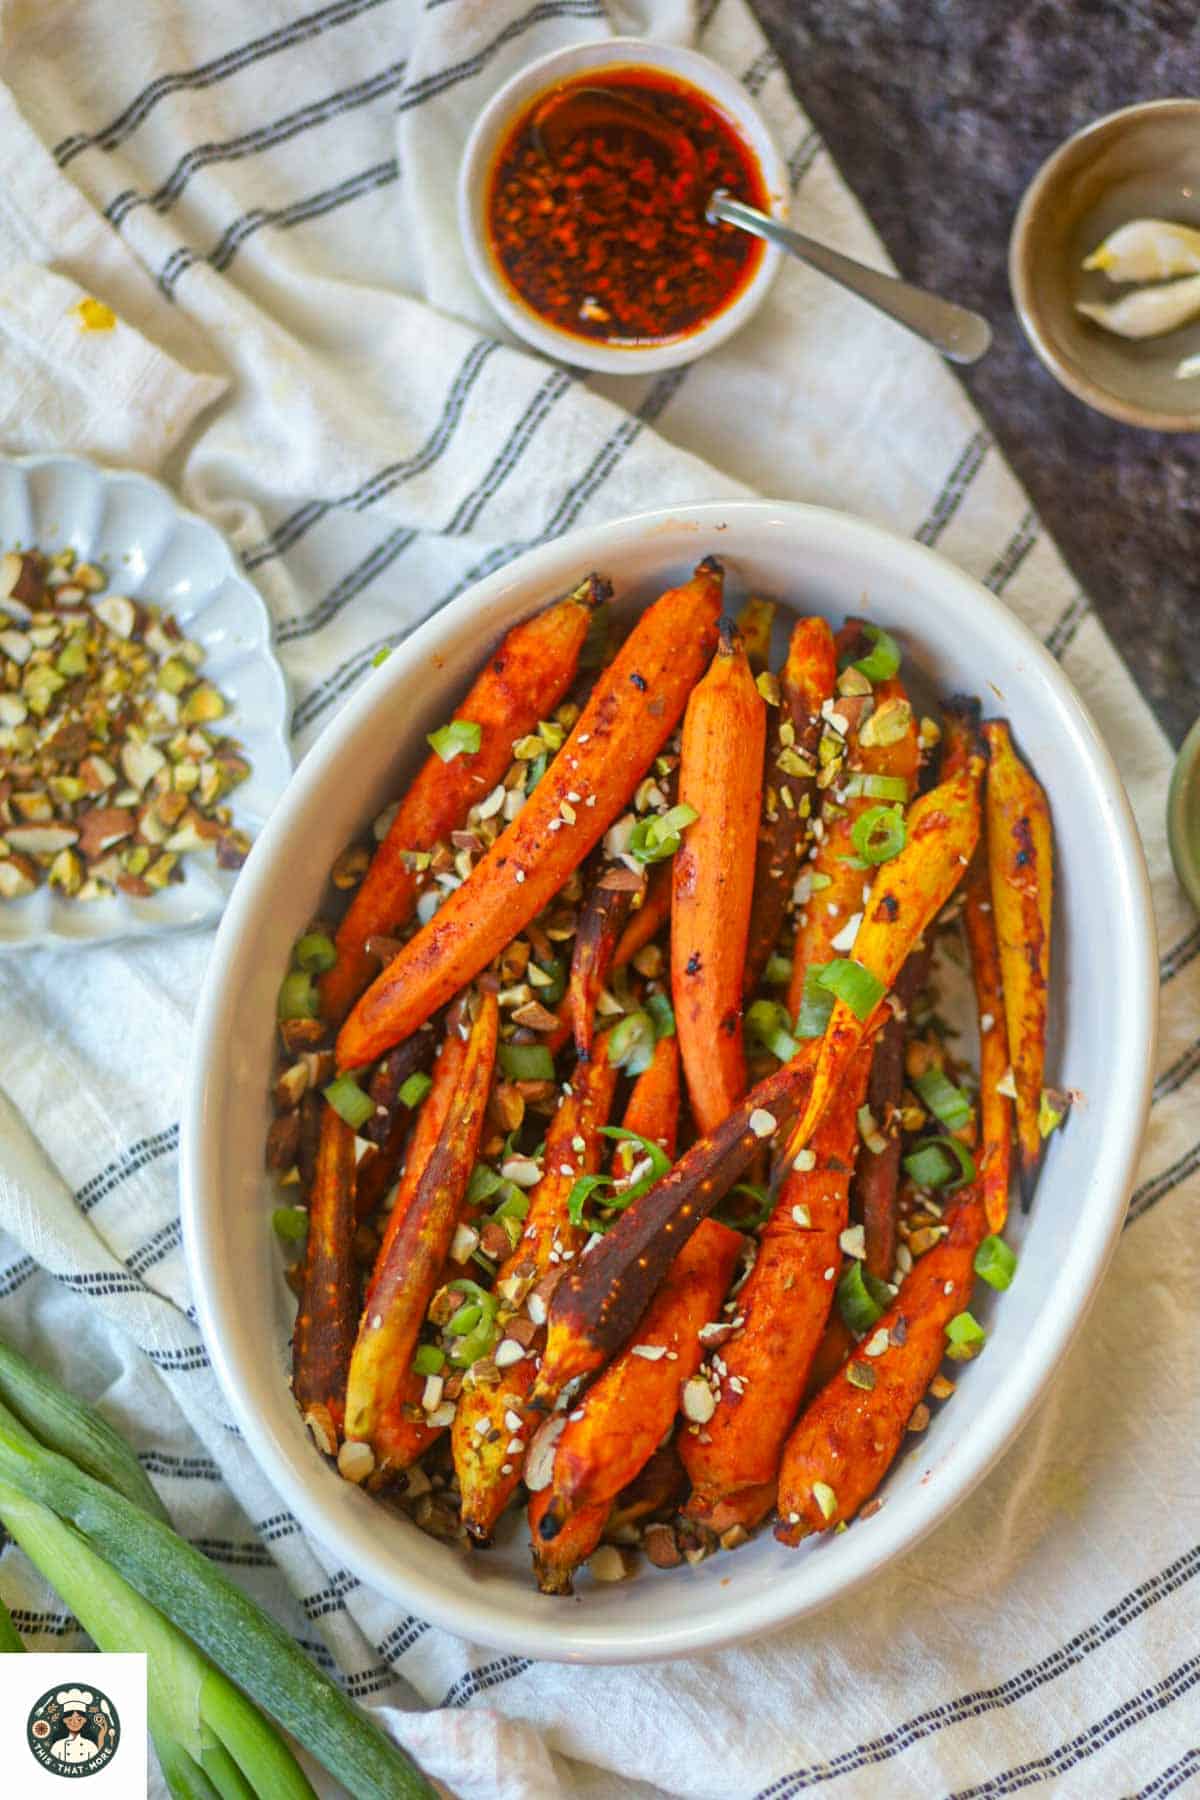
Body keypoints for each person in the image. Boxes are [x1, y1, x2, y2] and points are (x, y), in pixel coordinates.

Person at [49, 1689, 100, 1765]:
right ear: (64, 1721)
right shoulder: (58, 1745)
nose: (74, 1723)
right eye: (70, 1719)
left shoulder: (90, 1745)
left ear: (85, 1720)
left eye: (79, 1719)